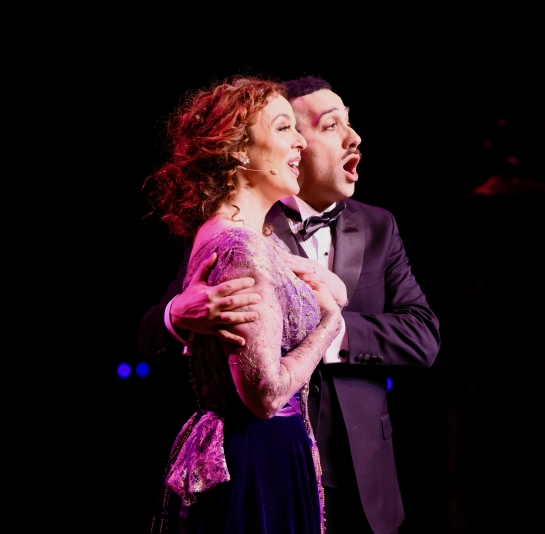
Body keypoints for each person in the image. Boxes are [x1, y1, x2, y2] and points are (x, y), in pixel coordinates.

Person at [140, 75, 441, 534]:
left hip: (362, 476)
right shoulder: (238, 225)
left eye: (350, 122)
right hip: (268, 460)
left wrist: (335, 328)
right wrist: (177, 316)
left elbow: (423, 334)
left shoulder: (379, 226)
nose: (353, 137)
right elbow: (152, 334)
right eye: (330, 125)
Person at [144, 76, 343, 534]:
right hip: (259, 453)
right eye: (283, 128)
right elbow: (267, 395)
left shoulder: (257, 240)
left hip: (265, 448)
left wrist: (329, 286)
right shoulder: (239, 247)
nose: (300, 142)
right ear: (239, 151)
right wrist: (329, 324)